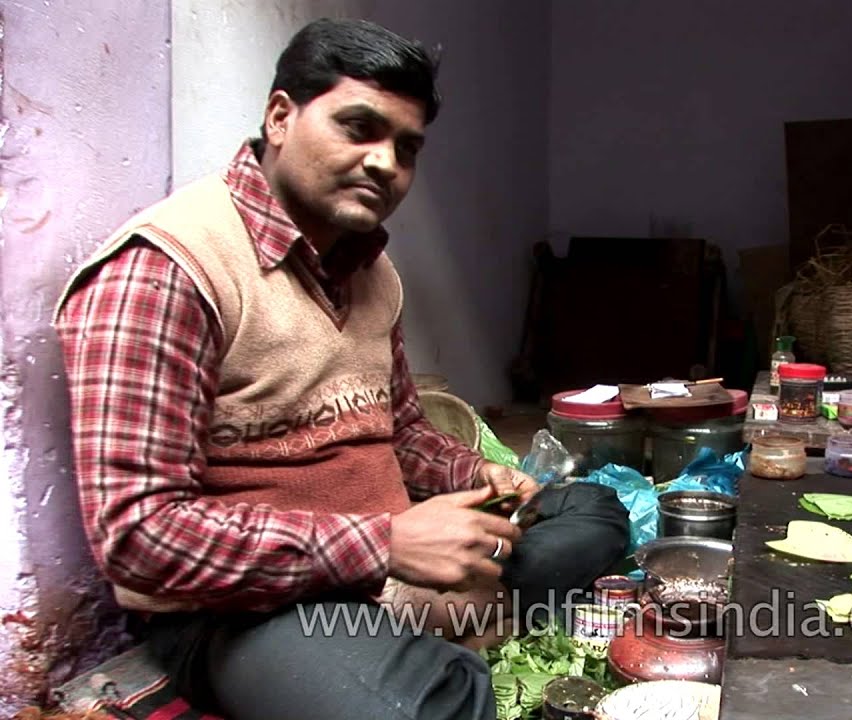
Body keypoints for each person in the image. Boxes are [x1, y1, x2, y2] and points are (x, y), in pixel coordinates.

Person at [53, 18, 628, 720]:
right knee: (422, 706)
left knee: (593, 510)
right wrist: (385, 544)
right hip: (245, 607)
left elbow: (402, 432)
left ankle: (426, 624)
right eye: (360, 128)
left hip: (384, 558)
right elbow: (139, 540)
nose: (386, 163)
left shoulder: (368, 268)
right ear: (280, 117)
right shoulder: (165, 274)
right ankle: (430, 641)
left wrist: (476, 477)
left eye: (406, 148)